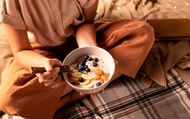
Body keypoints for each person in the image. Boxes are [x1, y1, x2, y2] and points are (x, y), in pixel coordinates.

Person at [0, 0, 154, 119]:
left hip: (81, 38)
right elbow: (21, 51)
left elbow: (86, 23)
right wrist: (43, 64)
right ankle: (86, 85)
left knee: (142, 33)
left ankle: (63, 92)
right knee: (9, 99)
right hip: (41, 50)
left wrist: (91, 53)